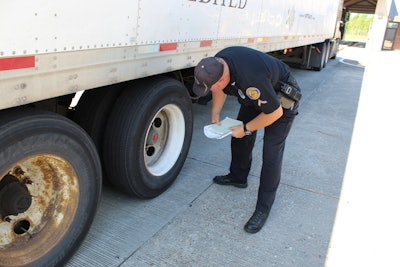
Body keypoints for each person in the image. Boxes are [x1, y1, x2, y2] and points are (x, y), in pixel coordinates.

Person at [192, 46, 300, 233]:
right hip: (257, 94)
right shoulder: (217, 63)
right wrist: (215, 113)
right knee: (237, 136)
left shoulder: (252, 80)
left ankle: (263, 209)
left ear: (223, 79)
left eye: (211, 87)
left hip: (280, 100)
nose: (210, 90)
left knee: (271, 153)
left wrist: (246, 129)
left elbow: (275, 112)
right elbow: (220, 88)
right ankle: (238, 176)